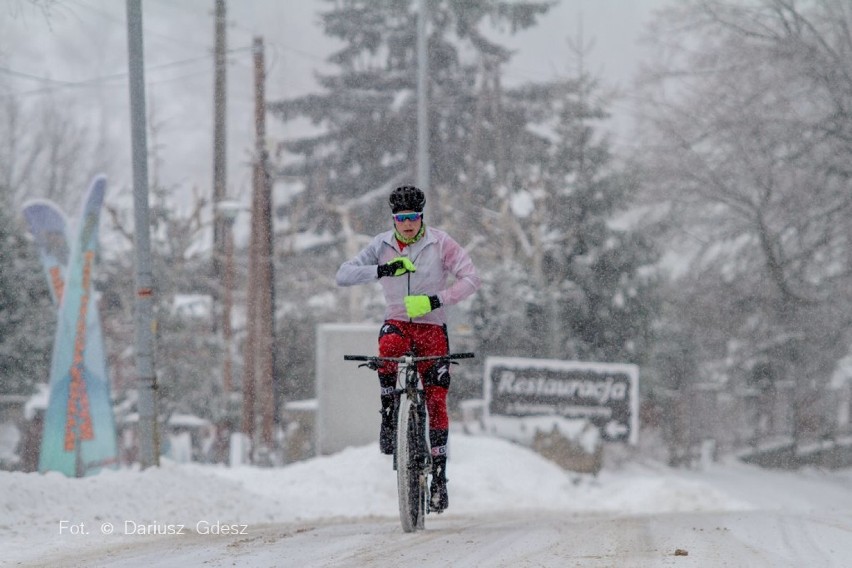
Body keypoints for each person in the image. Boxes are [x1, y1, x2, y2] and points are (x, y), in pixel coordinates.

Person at [336, 185, 480, 513]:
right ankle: (389, 414)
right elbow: (343, 275)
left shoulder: (440, 243)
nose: (408, 224)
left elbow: (472, 278)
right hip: (398, 322)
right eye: (401, 219)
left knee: (436, 397)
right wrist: (383, 270)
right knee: (387, 348)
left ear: (422, 216)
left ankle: (440, 478)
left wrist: (437, 299)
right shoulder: (381, 244)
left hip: (431, 327)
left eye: (414, 217)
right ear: (393, 220)